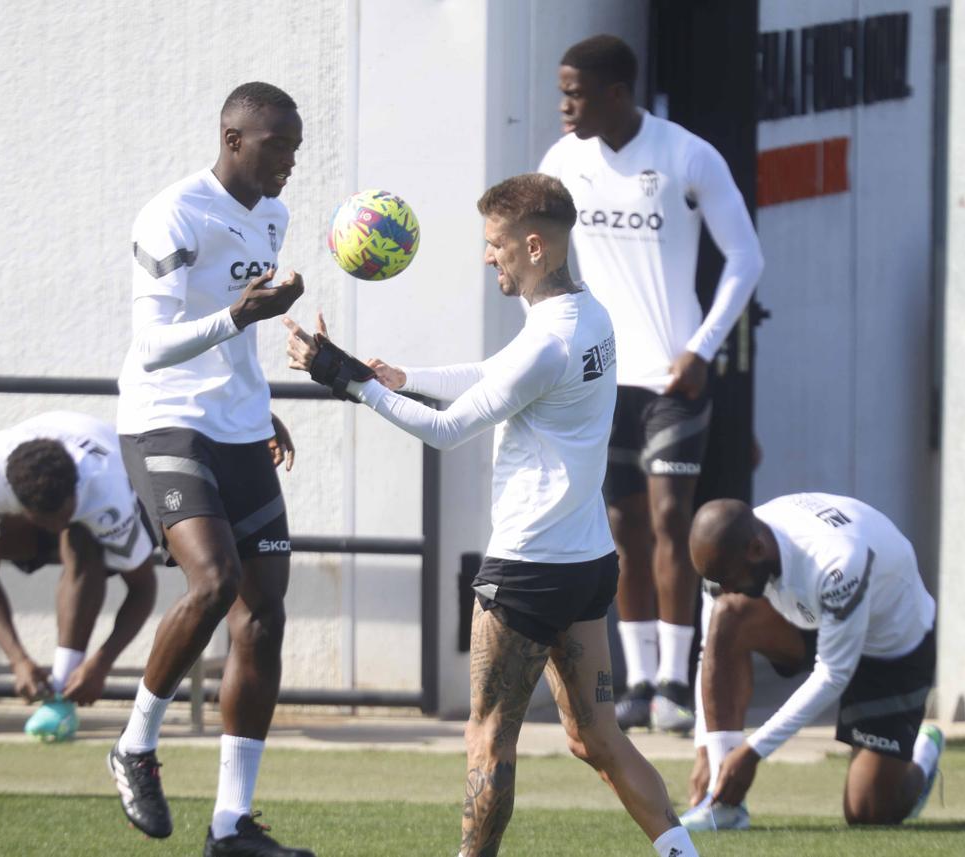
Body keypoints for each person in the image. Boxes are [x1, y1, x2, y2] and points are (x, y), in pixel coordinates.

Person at [284, 173, 699, 857]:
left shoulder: (548, 342)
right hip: (586, 563)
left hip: (527, 570)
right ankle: (682, 852)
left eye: (495, 244)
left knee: (488, 735)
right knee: (597, 734)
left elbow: (449, 432)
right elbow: (489, 374)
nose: (488, 257)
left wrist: (340, 377)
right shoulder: (586, 313)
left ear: (532, 246)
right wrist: (396, 376)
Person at [539, 34, 765, 733]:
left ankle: (676, 679)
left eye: (575, 92)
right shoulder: (561, 161)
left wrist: (701, 348)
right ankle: (637, 681)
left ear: (616, 93)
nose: (564, 105)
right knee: (621, 528)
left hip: (672, 376)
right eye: (561, 91)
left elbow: (746, 258)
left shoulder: (685, 155)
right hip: (601, 378)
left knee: (672, 520)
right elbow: (536, 255)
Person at [108, 81, 311, 857]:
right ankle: (134, 744)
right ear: (233, 139)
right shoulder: (173, 214)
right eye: (276, 145)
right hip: (165, 418)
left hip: (237, 424)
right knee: (214, 581)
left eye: (296, 146)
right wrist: (241, 315)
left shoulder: (274, 212)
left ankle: (231, 825)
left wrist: (259, 404)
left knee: (263, 615)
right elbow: (156, 344)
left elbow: (236, 329)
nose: (290, 161)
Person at [679, 495, 944, 831]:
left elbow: (834, 674)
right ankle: (725, 806)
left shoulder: (837, 560)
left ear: (757, 550)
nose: (724, 587)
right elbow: (711, 649)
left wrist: (751, 752)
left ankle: (923, 751)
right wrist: (707, 748)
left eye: (729, 579)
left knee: (869, 811)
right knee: (728, 614)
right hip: (814, 617)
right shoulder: (728, 552)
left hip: (890, 649)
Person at [0, 411, 157, 741]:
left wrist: (100, 664)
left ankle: (61, 698)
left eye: (62, 514)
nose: (55, 527)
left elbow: (143, 587)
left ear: (74, 492)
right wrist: (18, 660)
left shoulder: (106, 493)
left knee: (81, 543)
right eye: (46, 520)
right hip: (24, 514)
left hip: (97, 511)